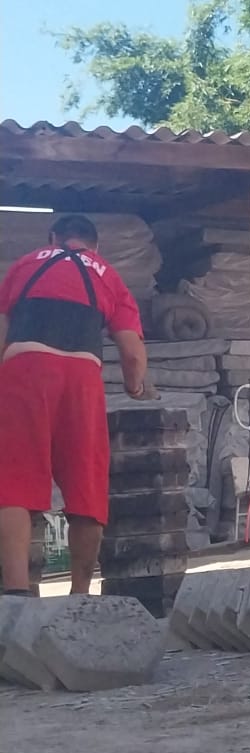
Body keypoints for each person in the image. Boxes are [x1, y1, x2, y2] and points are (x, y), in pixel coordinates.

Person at [0, 214, 149, 596]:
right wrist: (135, 386)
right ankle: (80, 593)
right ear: (94, 245)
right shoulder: (108, 275)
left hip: (24, 367)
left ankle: (17, 591)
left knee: (15, 481)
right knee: (86, 479)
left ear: (53, 238)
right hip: (82, 375)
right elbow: (131, 352)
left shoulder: (24, 264)